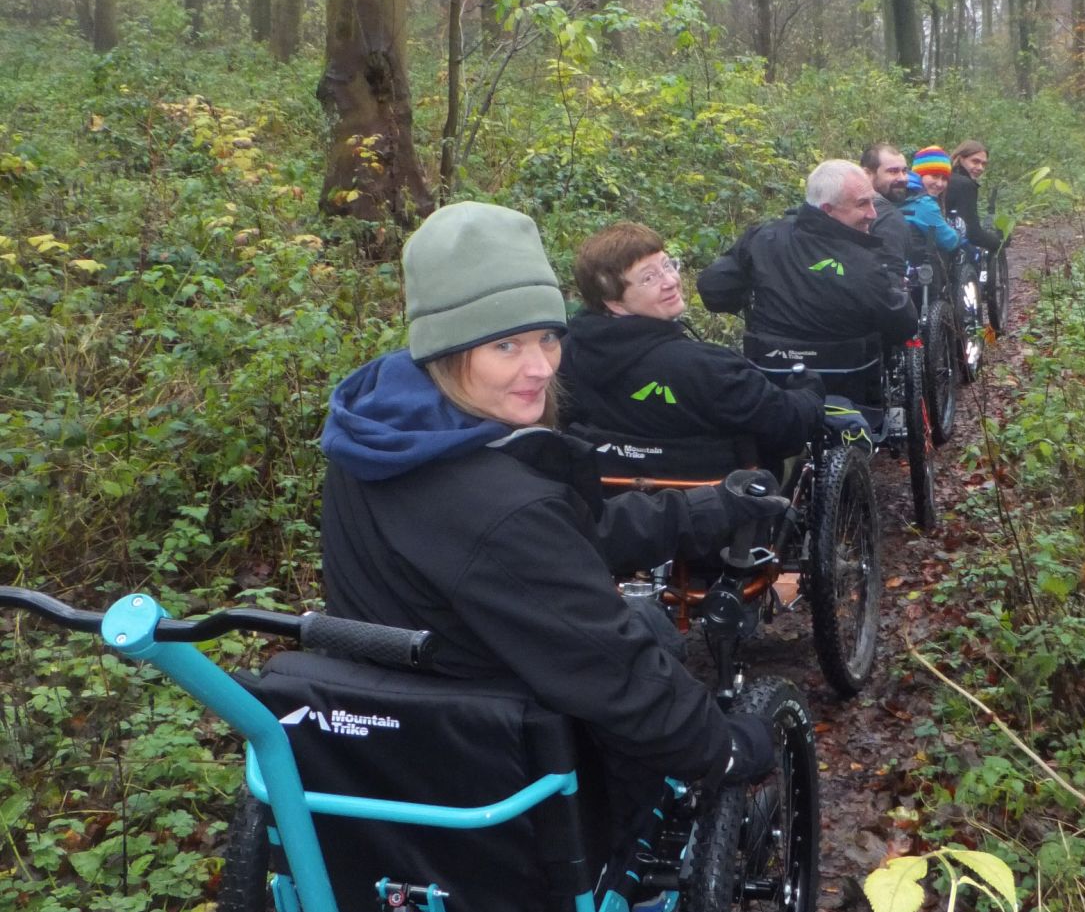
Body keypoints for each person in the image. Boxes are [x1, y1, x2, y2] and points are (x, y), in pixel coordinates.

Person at [320, 201, 774, 805]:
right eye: (506, 346)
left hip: (389, 735)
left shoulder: (376, 439)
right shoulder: (501, 505)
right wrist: (726, 747)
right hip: (511, 765)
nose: (539, 368)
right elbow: (615, 673)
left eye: (547, 338)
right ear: (447, 350)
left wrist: (709, 507)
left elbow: (566, 542)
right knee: (648, 634)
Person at [561, 221, 825, 464]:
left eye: (667, 265)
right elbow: (787, 428)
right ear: (613, 301)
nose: (670, 281)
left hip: (611, 497)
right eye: (649, 277)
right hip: (719, 503)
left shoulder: (564, 355)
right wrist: (809, 391)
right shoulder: (705, 367)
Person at [697, 159, 917, 348]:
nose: (873, 214)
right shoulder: (865, 264)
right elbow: (903, 327)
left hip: (771, 373)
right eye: (862, 204)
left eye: (872, 201)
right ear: (827, 209)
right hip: (849, 381)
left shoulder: (762, 237)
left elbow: (714, 289)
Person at [901, 146, 963, 269]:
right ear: (919, 175)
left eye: (944, 178)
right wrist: (959, 234)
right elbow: (948, 241)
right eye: (934, 176)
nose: (940, 184)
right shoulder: (924, 204)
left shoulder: (898, 193)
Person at [944, 140, 1004, 254]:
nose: (980, 167)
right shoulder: (964, 184)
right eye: (975, 161)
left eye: (983, 164)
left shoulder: (944, 177)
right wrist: (998, 242)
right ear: (960, 158)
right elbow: (972, 233)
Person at [859, 143, 911, 268]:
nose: (903, 178)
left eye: (904, 171)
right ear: (867, 174)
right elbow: (891, 277)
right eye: (893, 171)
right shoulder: (889, 219)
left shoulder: (845, 208)